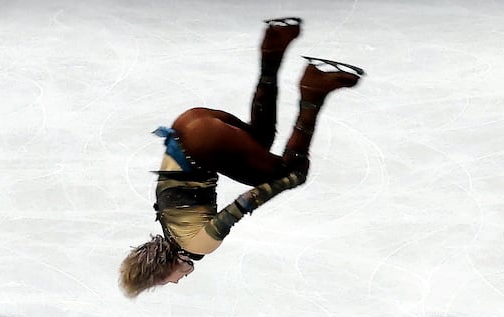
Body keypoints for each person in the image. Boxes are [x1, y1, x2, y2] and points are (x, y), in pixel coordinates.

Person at [118, 17, 364, 297]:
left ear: (161, 270)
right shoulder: (169, 231)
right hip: (190, 124)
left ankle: (315, 86)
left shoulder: (198, 245)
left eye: (162, 282)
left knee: (285, 171)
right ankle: (275, 43)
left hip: (203, 143)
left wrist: (290, 182)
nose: (173, 283)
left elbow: (244, 203)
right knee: (260, 141)